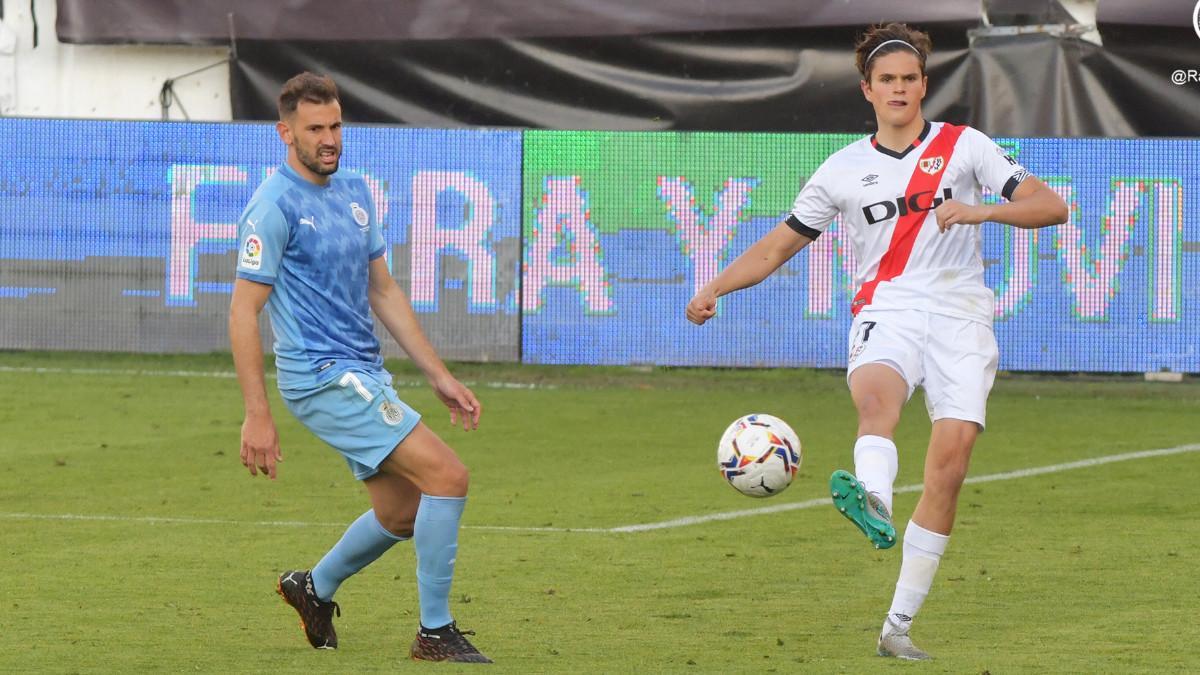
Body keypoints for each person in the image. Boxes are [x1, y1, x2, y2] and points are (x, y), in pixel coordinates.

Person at [686, 23, 1067, 660]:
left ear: (923, 85)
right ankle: (875, 501)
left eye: (909, 79)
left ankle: (896, 627)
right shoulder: (842, 169)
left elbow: (1050, 206)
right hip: (885, 308)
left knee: (950, 465)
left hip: (961, 317)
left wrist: (980, 210)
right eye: (886, 80)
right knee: (876, 401)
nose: (898, 88)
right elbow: (779, 245)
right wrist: (716, 287)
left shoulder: (965, 146)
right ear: (868, 90)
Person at [229, 72, 492, 663]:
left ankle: (313, 588)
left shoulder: (354, 190)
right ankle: (434, 632)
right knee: (448, 477)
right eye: (315, 128)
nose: (329, 139)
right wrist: (257, 414)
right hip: (322, 376)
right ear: (285, 132)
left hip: (364, 374)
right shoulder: (271, 207)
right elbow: (243, 311)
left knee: (400, 513)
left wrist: (438, 375)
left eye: (336, 126)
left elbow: (384, 290)